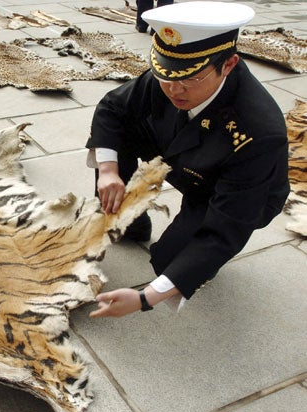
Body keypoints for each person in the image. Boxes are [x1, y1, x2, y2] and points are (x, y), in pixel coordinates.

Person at [86, 2, 290, 318]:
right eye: (165, 75)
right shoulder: (173, 77)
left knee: (173, 263)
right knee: (120, 132)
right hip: (183, 152)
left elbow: (225, 228)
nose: (174, 89)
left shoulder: (258, 132)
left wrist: (145, 298)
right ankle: (129, 220)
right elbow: (112, 109)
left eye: (191, 78)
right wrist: (109, 172)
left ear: (229, 63)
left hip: (232, 193)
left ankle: (196, 259)